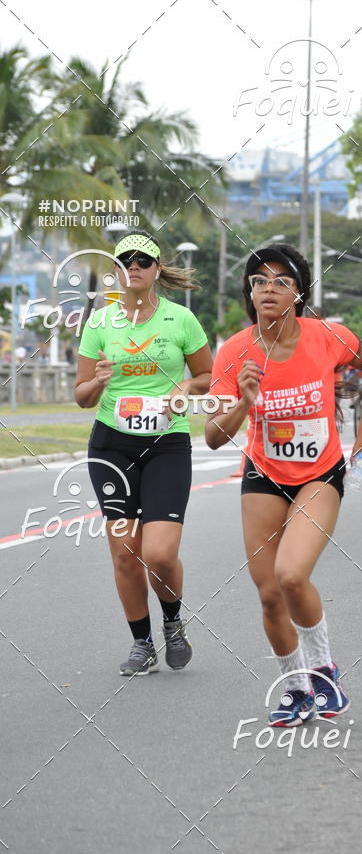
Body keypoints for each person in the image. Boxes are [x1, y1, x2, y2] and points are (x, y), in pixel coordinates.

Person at [205, 243, 362, 727]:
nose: (268, 288)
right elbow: (213, 438)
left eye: (281, 281)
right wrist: (242, 402)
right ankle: (297, 688)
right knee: (267, 594)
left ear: (298, 293)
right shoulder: (235, 351)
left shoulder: (326, 337)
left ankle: (324, 669)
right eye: (259, 281)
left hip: (320, 474)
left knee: (290, 575)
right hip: (263, 474)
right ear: (249, 291)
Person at [75, 231, 213, 675]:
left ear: (156, 270)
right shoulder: (99, 324)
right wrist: (97, 381)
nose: (133, 266)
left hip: (166, 444)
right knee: (124, 553)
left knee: (158, 552)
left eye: (143, 260)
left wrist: (186, 386)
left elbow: (208, 375)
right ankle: (142, 644)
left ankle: (173, 622)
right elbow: (80, 396)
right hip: (112, 444)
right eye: (125, 260)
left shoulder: (180, 321)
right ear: (116, 270)